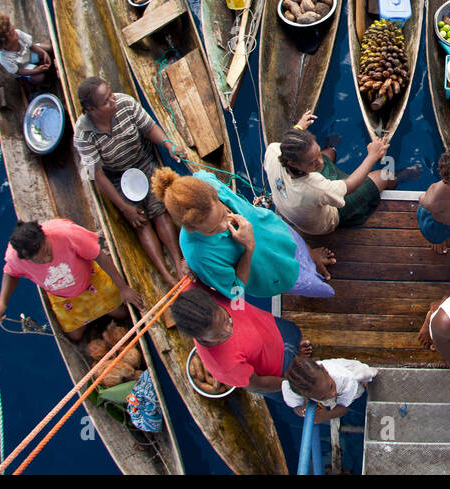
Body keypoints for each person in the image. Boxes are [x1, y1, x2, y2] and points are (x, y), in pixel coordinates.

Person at [152, 167, 335, 301]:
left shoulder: (205, 182)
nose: (225, 226)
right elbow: (236, 294)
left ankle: (311, 255)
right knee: (314, 285)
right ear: (192, 228)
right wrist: (248, 248)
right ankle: (317, 279)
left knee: (300, 247)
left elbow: (203, 175)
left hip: (277, 232)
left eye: (224, 214)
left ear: (213, 195)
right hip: (275, 273)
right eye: (213, 229)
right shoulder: (199, 255)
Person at [72, 77, 186, 287]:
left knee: (158, 210)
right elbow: (98, 176)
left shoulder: (125, 103)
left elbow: (149, 127)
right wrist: (125, 209)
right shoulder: (83, 135)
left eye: (111, 95)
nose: (113, 100)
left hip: (142, 161)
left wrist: (168, 145)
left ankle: (179, 263)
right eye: (106, 101)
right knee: (140, 222)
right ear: (90, 109)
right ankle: (167, 275)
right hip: (117, 177)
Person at [0, 218, 143, 342]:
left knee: (122, 313)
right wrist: (2, 301)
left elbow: (100, 256)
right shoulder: (15, 258)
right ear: (27, 258)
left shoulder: (67, 234)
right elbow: (10, 273)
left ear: (44, 235)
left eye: (47, 251)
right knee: (75, 336)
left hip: (90, 280)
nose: (48, 258)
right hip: (61, 296)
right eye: (40, 259)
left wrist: (123, 288)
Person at [265, 113, 410, 237]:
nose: (319, 163)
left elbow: (288, 146)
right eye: (313, 163)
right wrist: (372, 156)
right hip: (328, 218)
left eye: (317, 154)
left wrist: (299, 127)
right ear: (293, 164)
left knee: (328, 154)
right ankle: (398, 178)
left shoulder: (273, 151)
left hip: (293, 200)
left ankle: (331, 148)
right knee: (382, 175)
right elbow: (350, 186)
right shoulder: (314, 188)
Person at [170, 285, 300, 397]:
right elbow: (258, 385)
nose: (228, 331)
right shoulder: (225, 366)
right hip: (280, 369)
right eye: (217, 335)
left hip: (272, 325)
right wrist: (291, 384)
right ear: (199, 337)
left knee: (295, 333)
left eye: (225, 319)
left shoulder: (196, 296)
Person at [282, 340, 377, 423]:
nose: (333, 393)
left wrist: (326, 415)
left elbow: (343, 407)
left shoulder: (345, 378)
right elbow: (296, 407)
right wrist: (303, 410)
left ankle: (366, 379)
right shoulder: (290, 388)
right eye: (323, 396)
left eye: (331, 387)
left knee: (367, 374)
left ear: (325, 370)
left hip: (351, 373)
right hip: (333, 384)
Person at [0, 14, 54, 86]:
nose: (14, 31)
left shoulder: (18, 33)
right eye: (11, 34)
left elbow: (31, 46)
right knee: (40, 77)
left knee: (49, 48)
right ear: (4, 44)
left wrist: (44, 54)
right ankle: (37, 85)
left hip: (29, 53)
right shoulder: (4, 57)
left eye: (11, 28)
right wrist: (36, 71)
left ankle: (42, 61)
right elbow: (18, 71)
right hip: (23, 67)